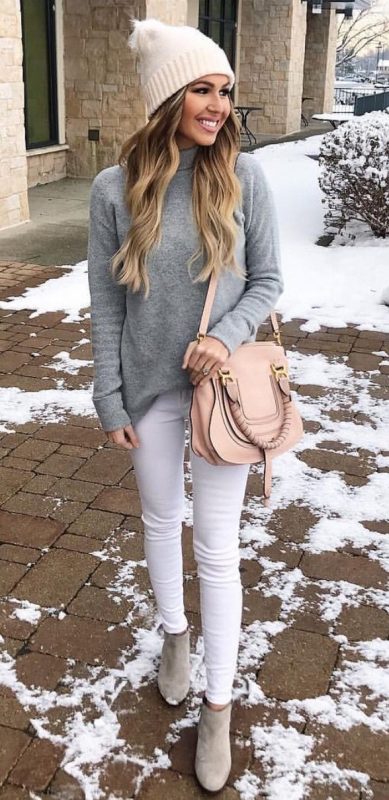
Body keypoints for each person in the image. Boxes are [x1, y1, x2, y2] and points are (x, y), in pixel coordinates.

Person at [87, 17, 283, 793]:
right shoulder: (113, 189)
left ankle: (217, 705)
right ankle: (173, 638)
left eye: (225, 90)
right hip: (146, 388)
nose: (219, 104)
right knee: (162, 521)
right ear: (166, 97)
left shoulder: (243, 178)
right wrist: (109, 395)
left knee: (217, 550)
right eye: (202, 88)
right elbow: (106, 304)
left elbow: (266, 282)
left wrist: (224, 336)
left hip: (222, 395)